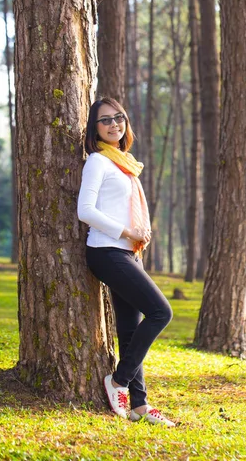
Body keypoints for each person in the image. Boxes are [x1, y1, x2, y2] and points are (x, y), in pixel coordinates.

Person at [77, 96, 175, 426]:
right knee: (162, 311)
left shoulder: (124, 162)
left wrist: (134, 236)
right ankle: (118, 381)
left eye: (119, 117)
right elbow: (85, 211)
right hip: (106, 252)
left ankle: (139, 405)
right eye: (105, 120)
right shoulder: (98, 162)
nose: (114, 123)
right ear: (94, 128)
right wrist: (127, 230)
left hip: (127, 252)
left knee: (130, 329)